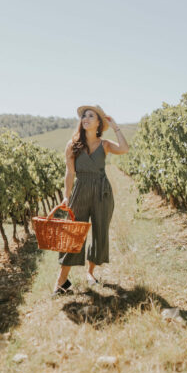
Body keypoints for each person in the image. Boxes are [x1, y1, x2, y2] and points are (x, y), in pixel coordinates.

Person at [52, 105, 129, 296]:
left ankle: (90, 273)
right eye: (83, 116)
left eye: (90, 115)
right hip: (81, 189)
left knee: (100, 231)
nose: (85, 118)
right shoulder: (73, 145)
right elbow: (69, 173)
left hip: (102, 192)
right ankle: (61, 282)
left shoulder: (104, 144)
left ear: (98, 123)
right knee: (74, 233)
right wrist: (66, 196)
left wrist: (116, 126)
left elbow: (124, 149)